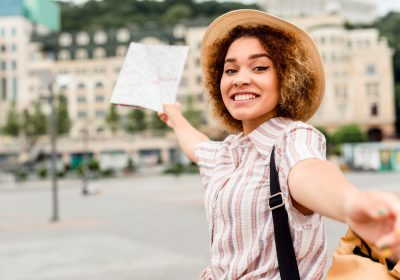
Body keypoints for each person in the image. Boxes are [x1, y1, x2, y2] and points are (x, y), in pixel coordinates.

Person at [158, 9, 400, 279]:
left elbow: (307, 170)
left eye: (260, 67)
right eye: (230, 69)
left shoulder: (292, 137)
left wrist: (351, 204)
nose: (240, 79)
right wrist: (175, 116)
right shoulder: (228, 152)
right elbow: (197, 146)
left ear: (286, 76)